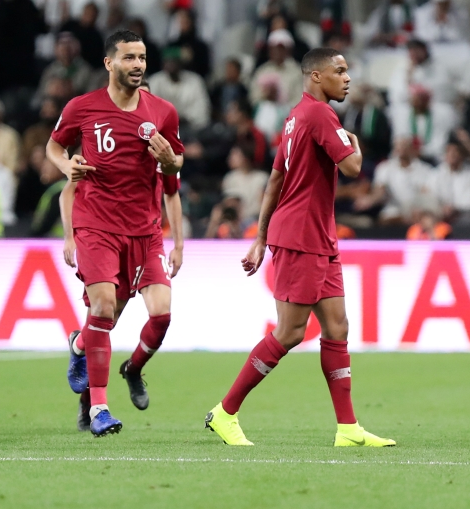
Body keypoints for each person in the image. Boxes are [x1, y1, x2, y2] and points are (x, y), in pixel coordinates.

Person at [204, 48, 395, 448]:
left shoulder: (294, 118)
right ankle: (225, 411)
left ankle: (347, 428)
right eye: (338, 71)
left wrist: (259, 239)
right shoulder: (321, 115)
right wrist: (355, 145)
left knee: (337, 327)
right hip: (301, 236)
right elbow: (353, 167)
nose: (346, 78)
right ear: (314, 76)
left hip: (317, 235)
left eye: (347, 71)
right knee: (290, 332)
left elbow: (275, 181)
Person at [46, 30, 184, 436]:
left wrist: (169, 160)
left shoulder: (162, 111)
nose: (138, 65)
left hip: (144, 232)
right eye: (129, 58)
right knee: (104, 307)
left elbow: (175, 169)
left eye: (142, 57)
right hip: (97, 224)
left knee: (161, 314)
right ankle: (98, 411)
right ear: (110, 63)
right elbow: (54, 147)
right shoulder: (82, 107)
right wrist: (65, 166)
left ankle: (97, 353)